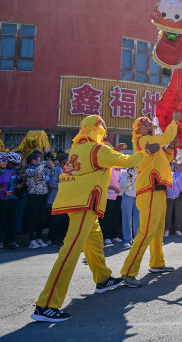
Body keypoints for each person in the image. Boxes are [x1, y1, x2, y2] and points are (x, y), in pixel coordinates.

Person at [31, 115, 155, 322]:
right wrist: (146, 152)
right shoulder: (99, 150)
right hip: (85, 203)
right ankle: (46, 304)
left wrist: (113, 150)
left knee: (94, 242)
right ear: (96, 128)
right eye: (103, 125)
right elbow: (129, 160)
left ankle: (103, 279)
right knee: (70, 251)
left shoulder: (78, 148)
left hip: (75, 201)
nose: (105, 128)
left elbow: (98, 162)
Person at [120, 112, 180, 288]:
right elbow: (167, 136)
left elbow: (165, 159)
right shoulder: (143, 141)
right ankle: (129, 271)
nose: (149, 126)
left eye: (149, 124)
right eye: (145, 124)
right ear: (138, 129)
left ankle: (156, 263)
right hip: (149, 189)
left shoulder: (153, 144)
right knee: (146, 232)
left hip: (158, 189)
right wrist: (174, 121)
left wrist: (170, 148)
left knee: (158, 229)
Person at [24, 152, 55, 249]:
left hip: (43, 195)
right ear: (30, 160)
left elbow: (52, 172)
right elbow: (37, 172)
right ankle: (32, 240)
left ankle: (38, 238)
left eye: (38, 159)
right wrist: (44, 162)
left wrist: (50, 163)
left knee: (41, 218)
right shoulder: (28, 170)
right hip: (33, 195)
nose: (38, 160)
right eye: (35, 159)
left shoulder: (42, 168)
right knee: (33, 217)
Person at [47, 153, 69, 246]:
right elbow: (51, 184)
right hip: (55, 200)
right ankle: (54, 239)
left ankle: (63, 239)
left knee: (65, 221)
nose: (67, 161)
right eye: (66, 160)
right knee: (55, 222)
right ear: (61, 161)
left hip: (66, 201)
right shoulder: (56, 170)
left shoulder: (70, 171)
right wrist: (63, 186)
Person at [0, 153, 21, 250]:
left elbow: (12, 184)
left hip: (11, 199)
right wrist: (4, 191)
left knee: (12, 221)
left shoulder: (9, 172)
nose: (5, 162)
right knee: (1, 221)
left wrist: (14, 192)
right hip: (2, 200)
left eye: (6, 161)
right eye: (3, 160)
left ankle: (11, 241)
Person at [165, 160, 182, 236]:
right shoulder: (170, 172)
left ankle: (178, 230)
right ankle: (167, 230)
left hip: (180, 196)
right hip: (169, 195)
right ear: (175, 164)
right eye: (179, 164)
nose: (180, 166)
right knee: (168, 213)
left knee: (179, 213)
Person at [100, 168, 122, 246]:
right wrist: (113, 188)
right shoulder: (109, 170)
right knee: (108, 217)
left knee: (116, 217)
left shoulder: (123, 171)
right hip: (109, 196)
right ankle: (107, 237)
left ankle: (115, 236)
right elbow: (103, 182)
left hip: (119, 196)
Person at [120, 167, 139, 248]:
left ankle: (137, 239)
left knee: (137, 219)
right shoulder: (125, 172)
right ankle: (127, 239)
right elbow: (122, 184)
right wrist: (129, 179)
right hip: (127, 197)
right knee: (126, 219)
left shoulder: (140, 171)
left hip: (138, 197)